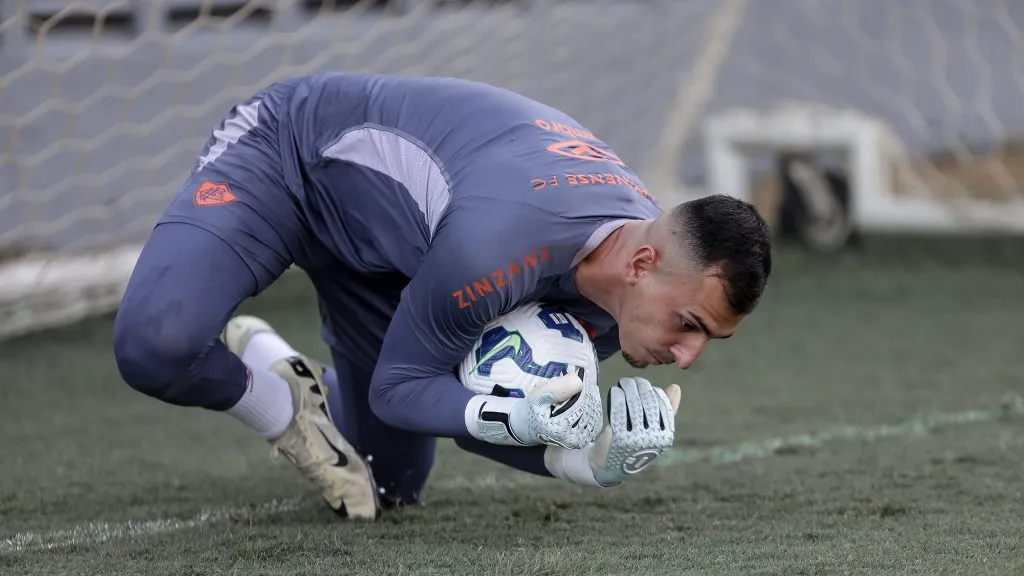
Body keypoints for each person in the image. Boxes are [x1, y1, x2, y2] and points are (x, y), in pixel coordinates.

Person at [112, 72, 773, 520]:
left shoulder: (619, 287)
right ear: (644, 264)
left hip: (394, 256)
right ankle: (282, 405)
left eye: (706, 339)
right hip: (286, 158)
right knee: (158, 345)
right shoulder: (502, 244)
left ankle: (297, 377)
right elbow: (403, 389)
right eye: (689, 324)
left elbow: (487, 405)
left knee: (388, 485)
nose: (688, 357)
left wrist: (590, 459)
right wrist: (519, 418)